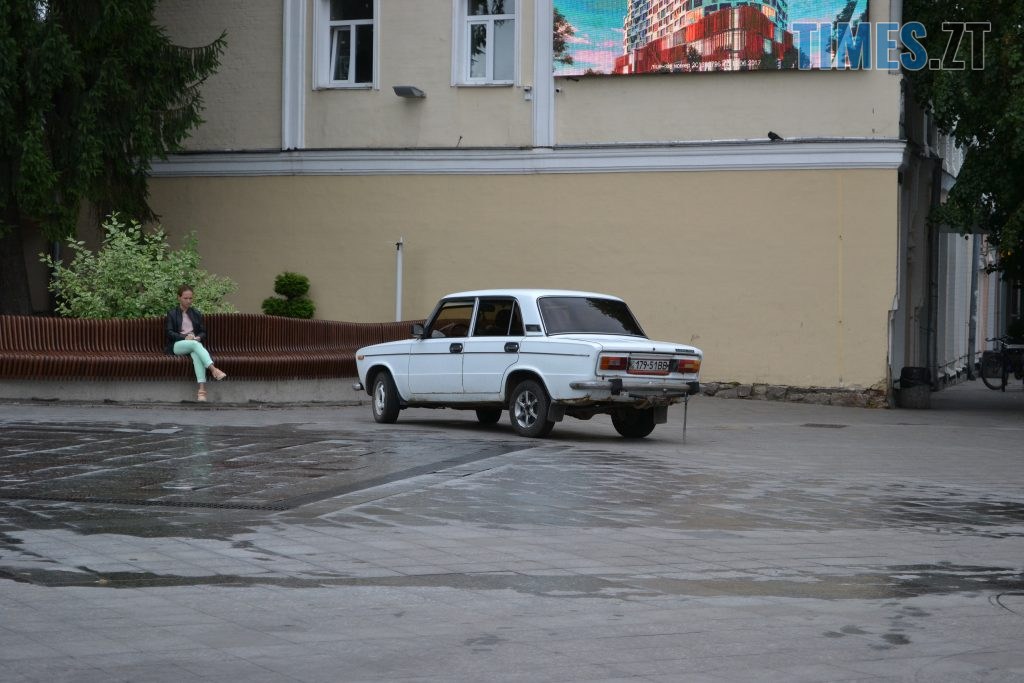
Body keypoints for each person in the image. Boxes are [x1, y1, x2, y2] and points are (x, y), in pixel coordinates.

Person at [165, 285, 227, 401]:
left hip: (194, 344)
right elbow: (169, 332)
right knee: (195, 345)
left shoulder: (196, 313)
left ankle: (201, 391)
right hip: (177, 345)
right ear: (179, 298)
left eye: (190, 298)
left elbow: (203, 332)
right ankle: (213, 369)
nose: (188, 301)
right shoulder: (172, 313)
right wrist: (185, 337)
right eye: (185, 298)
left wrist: (198, 337)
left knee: (196, 354)